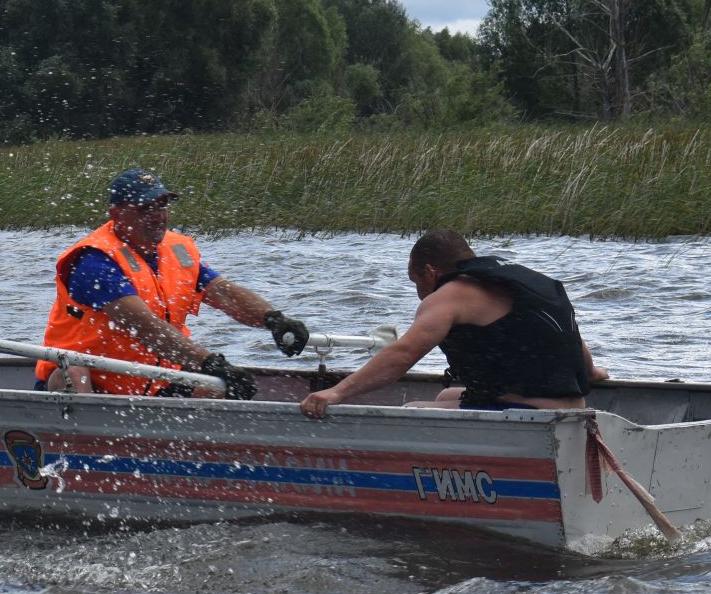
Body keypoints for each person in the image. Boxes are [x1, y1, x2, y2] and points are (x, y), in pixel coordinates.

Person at [36, 167, 311, 399]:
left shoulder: (177, 251)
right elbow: (145, 328)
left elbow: (224, 294)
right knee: (71, 372)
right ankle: (78, 448)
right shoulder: (94, 261)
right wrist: (212, 363)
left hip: (153, 381)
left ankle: (199, 454)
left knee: (216, 387)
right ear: (117, 214)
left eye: (162, 205)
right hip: (96, 382)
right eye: (145, 208)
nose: (158, 216)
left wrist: (273, 320)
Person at [300, 230, 607, 418]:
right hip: (574, 407)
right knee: (445, 396)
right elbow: (568, 336)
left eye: (415, 282)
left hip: (530, 414)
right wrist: (591, 372)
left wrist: (337, 392)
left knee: (412, 412)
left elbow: (402, 355)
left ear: (430, 271)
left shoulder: (451, 294)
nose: (418, 293)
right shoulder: (526, 282)